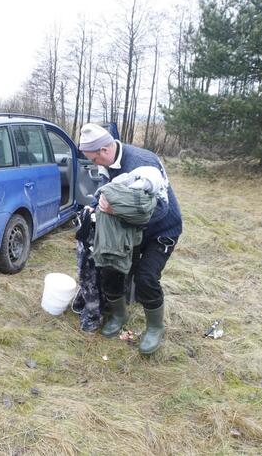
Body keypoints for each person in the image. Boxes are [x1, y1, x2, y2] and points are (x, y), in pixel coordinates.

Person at [78, 123, 182, 355]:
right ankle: (119, 314)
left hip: (161, 229)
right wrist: (96, 208)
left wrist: (115, 212)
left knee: (146, 278)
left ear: (104, 150)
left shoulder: (144, 166)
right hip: (130, 229)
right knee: (112, 268)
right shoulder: (106, 165)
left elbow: (161, 209)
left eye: (93, 159)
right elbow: (107, 192)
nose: (93, 164)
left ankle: (155, 327)